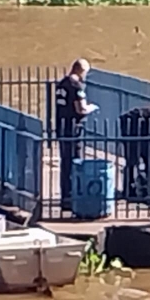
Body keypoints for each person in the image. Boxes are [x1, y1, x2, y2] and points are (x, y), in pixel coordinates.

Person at [55, 59, 98, 210]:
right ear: (80, 71)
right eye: (86, 72)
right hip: (74, 129)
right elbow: (81, 109)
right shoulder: (76, 86)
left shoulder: (61, 84)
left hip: (62, 127)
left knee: (65, 163)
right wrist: (91, 108)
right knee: (75, 162)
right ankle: (74, 197)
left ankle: (65, 197)